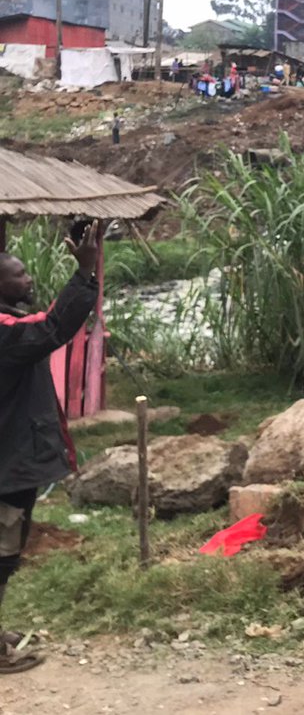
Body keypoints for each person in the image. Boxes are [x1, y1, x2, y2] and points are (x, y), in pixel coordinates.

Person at [0, 221, 100, 673]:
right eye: (19, 274)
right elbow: (53, 327)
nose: (28, 279)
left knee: (7, 547)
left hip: (11, 459)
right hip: (5, 463)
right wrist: (85, 271)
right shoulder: (4, 330)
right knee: (1, 553)